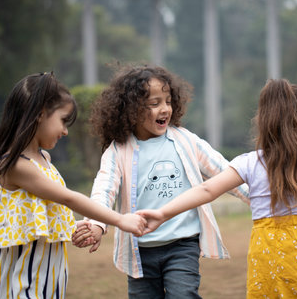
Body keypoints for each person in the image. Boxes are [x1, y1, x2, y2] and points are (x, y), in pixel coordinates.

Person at [138, 79, 297, 298]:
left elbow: (207, 190)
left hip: (268, 265)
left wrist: (162, 213)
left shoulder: (250, 163)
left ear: (263, 123)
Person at [71, 65, 249, 298]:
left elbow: (225, 172)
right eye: (154, 104)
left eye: (167, 101)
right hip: (139, 251)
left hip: (182, 245)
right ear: (131, 110)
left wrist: (262, 199)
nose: (164, 109)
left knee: (183, 295)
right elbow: (104, 190)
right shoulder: (118, 150)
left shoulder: (186, 140)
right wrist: (96, 224)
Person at [0, 72, 146, 299]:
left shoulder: (44, 160)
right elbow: (68, 198)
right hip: (24, 285)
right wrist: (120, 220)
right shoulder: (16, 165)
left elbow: (36, 216)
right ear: (41, 114)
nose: (65, 131)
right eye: (63, 120)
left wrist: (78, 227)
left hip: (49, 281)